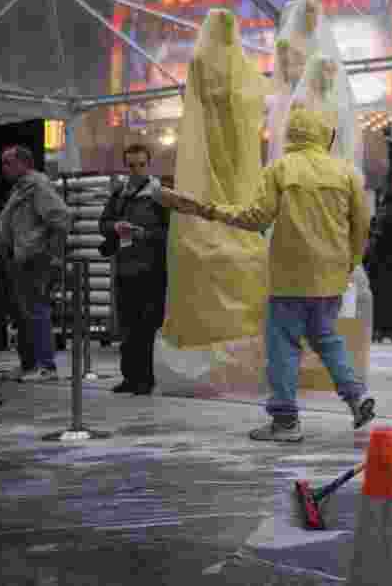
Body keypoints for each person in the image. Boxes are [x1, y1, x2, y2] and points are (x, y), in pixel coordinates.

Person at [154, 106, 374, 443]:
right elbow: (361, 227)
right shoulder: (347, 173)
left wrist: (208, 210)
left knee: (283, 347)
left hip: (290, 276)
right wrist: (349, 263)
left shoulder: (280, 169)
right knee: (327, 337)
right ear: (323, 134)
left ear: (293, 134)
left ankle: (285, 421)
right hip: (331, 275)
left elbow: (256, 218)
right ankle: (356, 399)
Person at [0, 145, 73, 382]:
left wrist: (54, 256)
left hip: (36, 260)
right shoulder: (20, 188)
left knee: (37, 312)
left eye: (8, 162)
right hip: (21, 259)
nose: (4, 168)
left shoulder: (36, 185)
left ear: (24, 163)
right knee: (23, 314)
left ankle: (46, 366)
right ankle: (29, 364)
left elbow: (61, 218)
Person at [98, 144, 169, 396]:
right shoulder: (119, 193)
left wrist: (144, 234)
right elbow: (103, 223)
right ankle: (129, 377)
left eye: (141, 164)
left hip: (151, 271)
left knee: (146, 328)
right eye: (131, 165)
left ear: (149, 164)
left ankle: (145, 380)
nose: (136, 170)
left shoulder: (161, 195)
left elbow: (171, 233)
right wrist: (115, 226)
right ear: (125, 166)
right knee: (127, 327)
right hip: (124, 268)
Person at [367, 190, 392, 343]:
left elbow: (377, 236)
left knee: (379, 297)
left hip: (380, 261)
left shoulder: (381, 213)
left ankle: (378, 331)